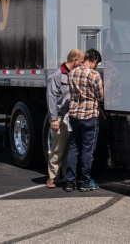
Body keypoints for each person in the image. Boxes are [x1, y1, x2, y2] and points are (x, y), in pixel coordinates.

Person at [65, 48, 104, 192]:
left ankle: (70, 182)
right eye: (97, 63)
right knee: (87, 151)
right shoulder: (94, 75)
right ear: (94, 60)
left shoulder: (72, 73)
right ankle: (85, 182)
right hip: (89, 117)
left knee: (74, 148)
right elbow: (100, 97)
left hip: (74, 116)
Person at [45, 49, 83, 188]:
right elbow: (51, 97)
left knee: (71, 149)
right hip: (61, 117)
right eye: (81, 61)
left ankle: (69, 177)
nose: (82, 63)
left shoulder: (76, 74)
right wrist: (53, 119)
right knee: (58, 148)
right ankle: (52, 177)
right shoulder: (56, 75)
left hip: (73, 116)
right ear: (74, 60)